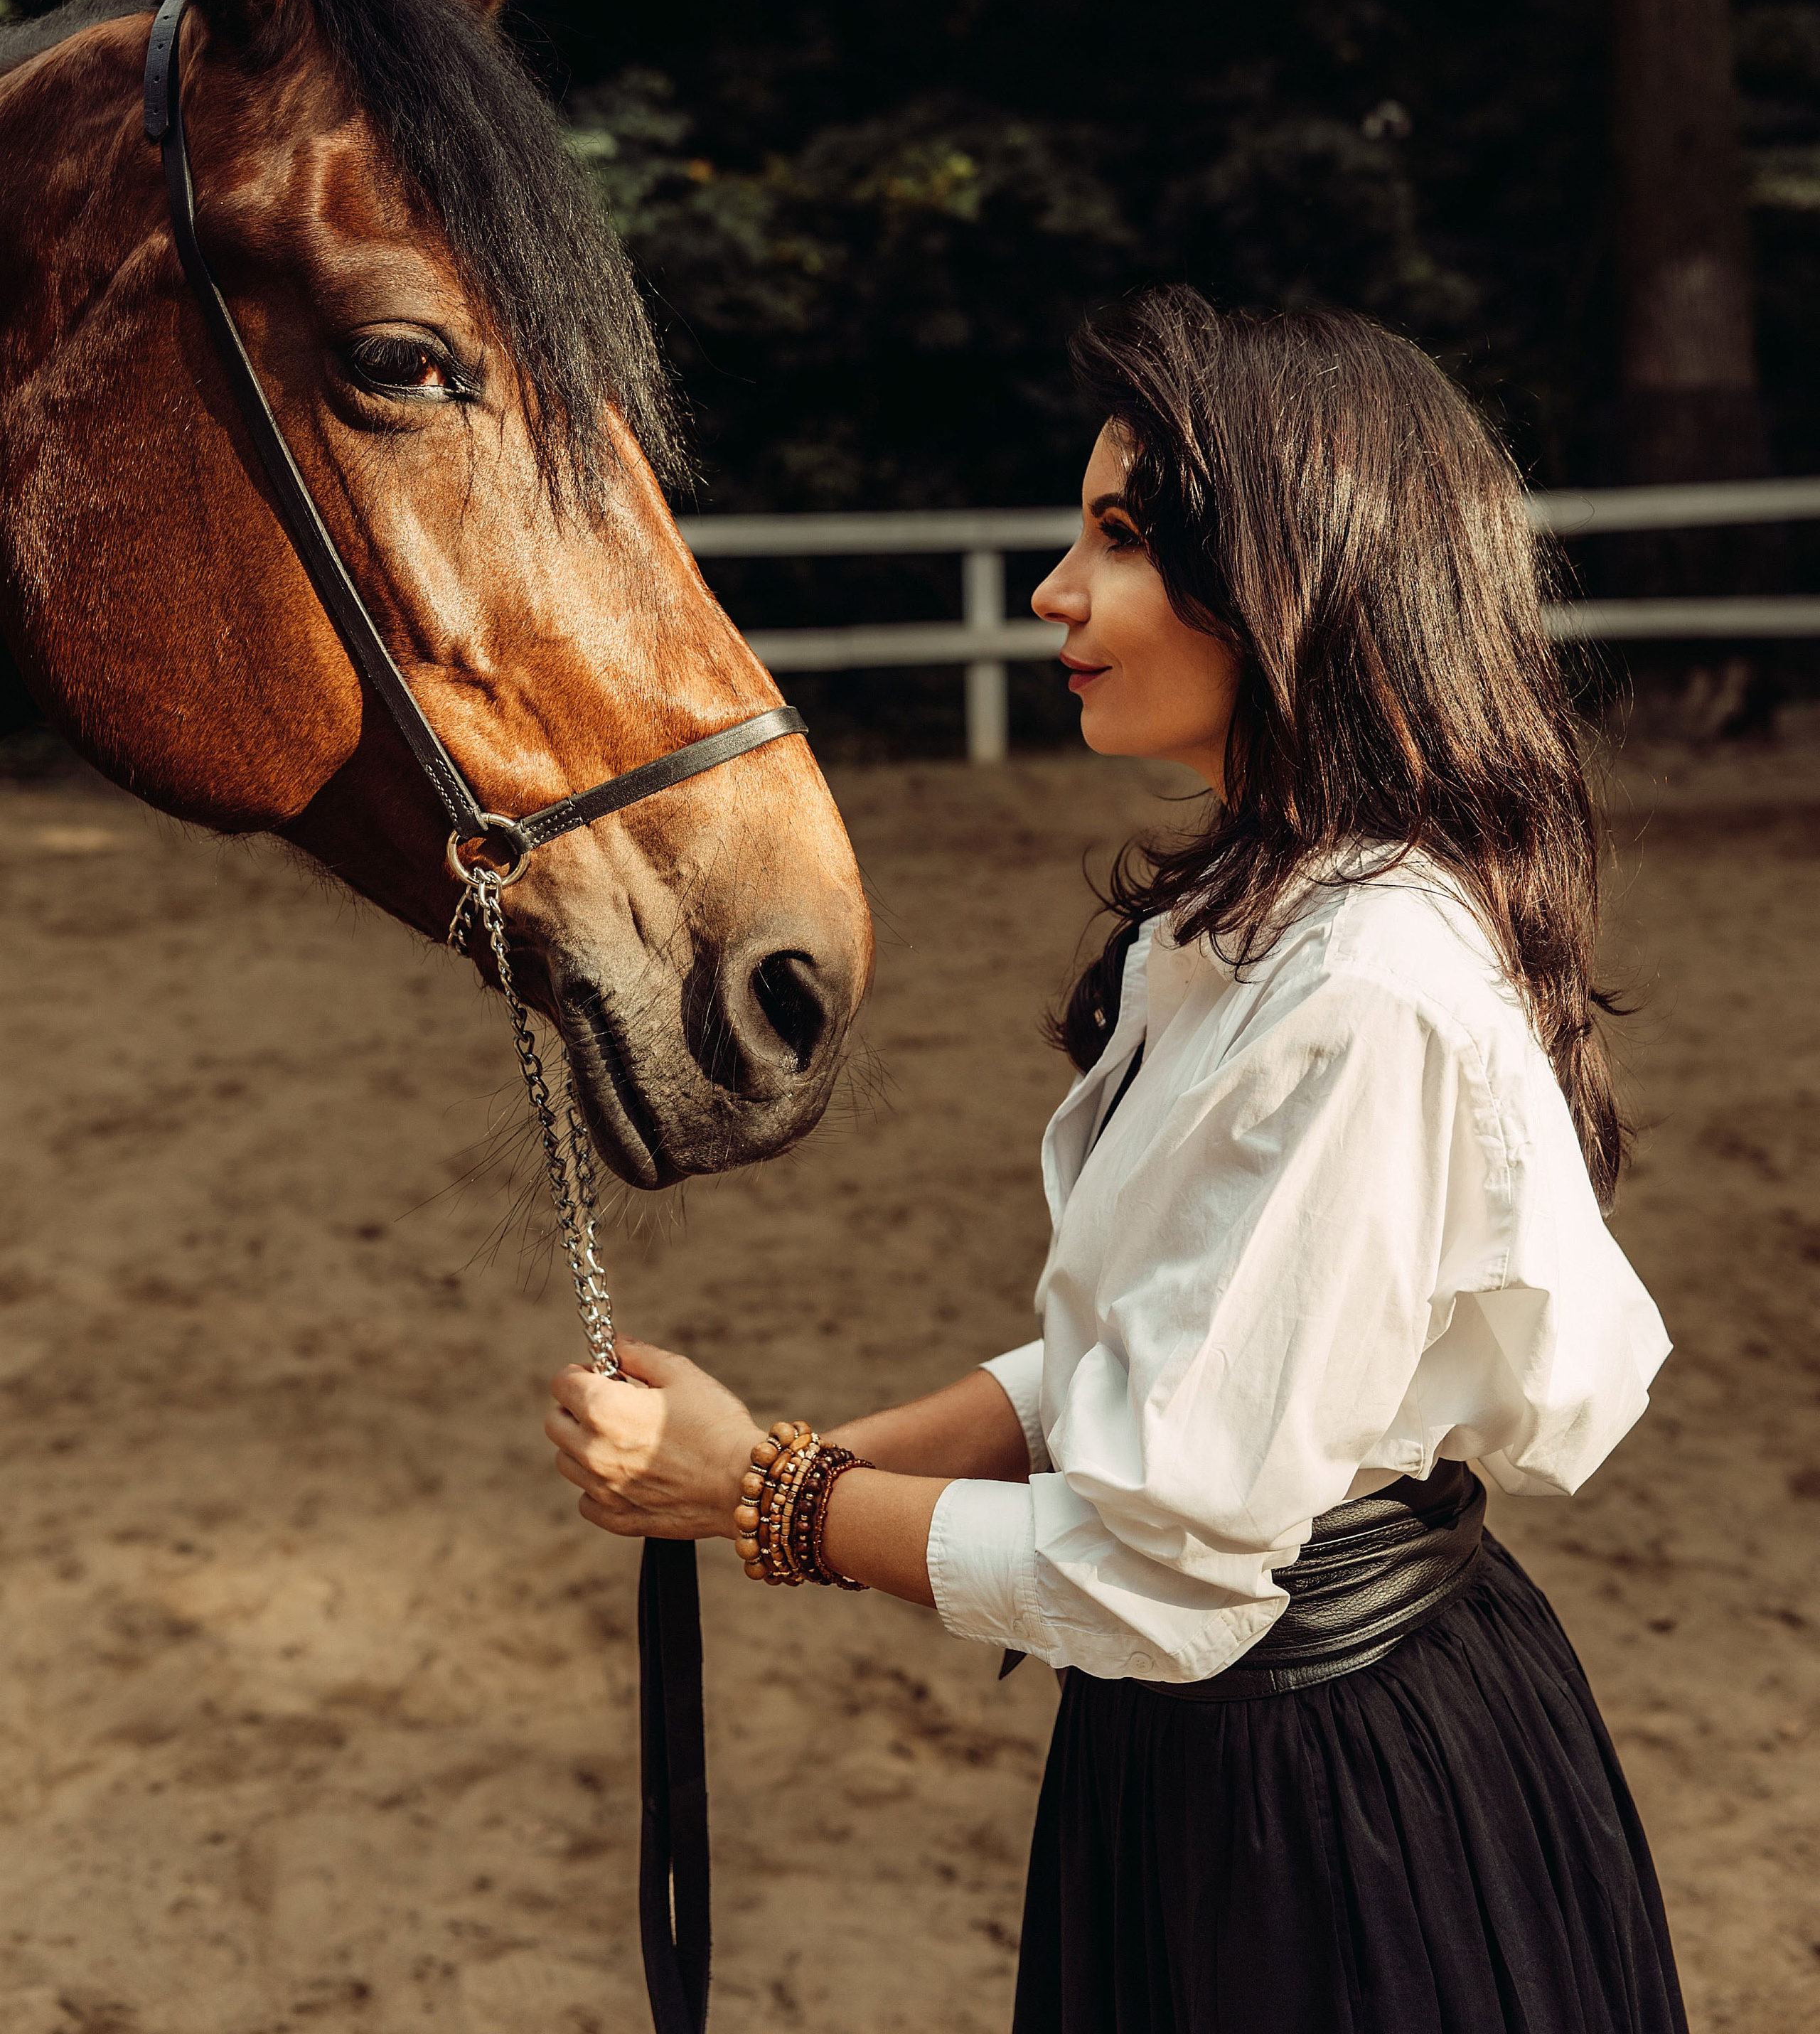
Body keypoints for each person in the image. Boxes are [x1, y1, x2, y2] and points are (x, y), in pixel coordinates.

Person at [543, 291, 1687, 2033]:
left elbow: (1156, 1575)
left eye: (1119, 539)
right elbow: (1142, 1356)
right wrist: (783, 1460)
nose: (1053, 594)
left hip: (1328, 1804)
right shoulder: (1252, 924)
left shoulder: (1361, 991)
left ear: (1297, 575)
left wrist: (766, 1502)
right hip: (1215, 1759)